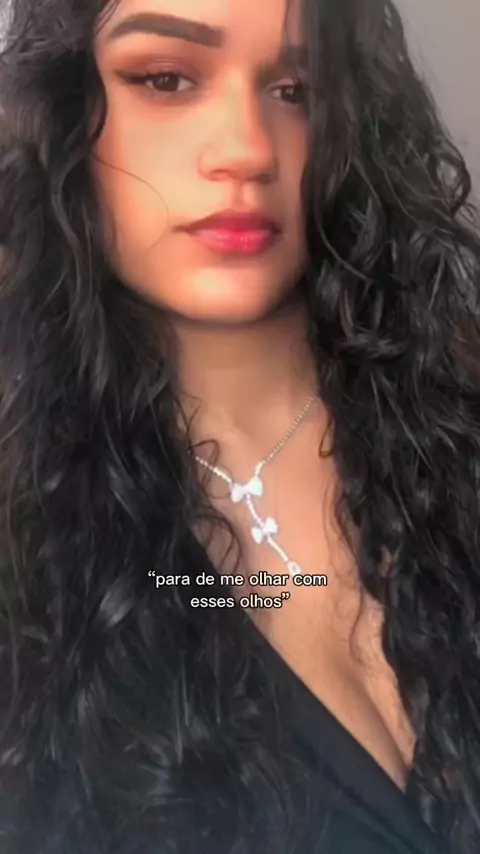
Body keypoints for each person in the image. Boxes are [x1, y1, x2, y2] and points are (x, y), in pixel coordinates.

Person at [0, 0, 480, 850]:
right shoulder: (21, 526)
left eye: (297, 91)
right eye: (166, 79)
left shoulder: (455, 417)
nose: (249, 150)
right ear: (63, 106)